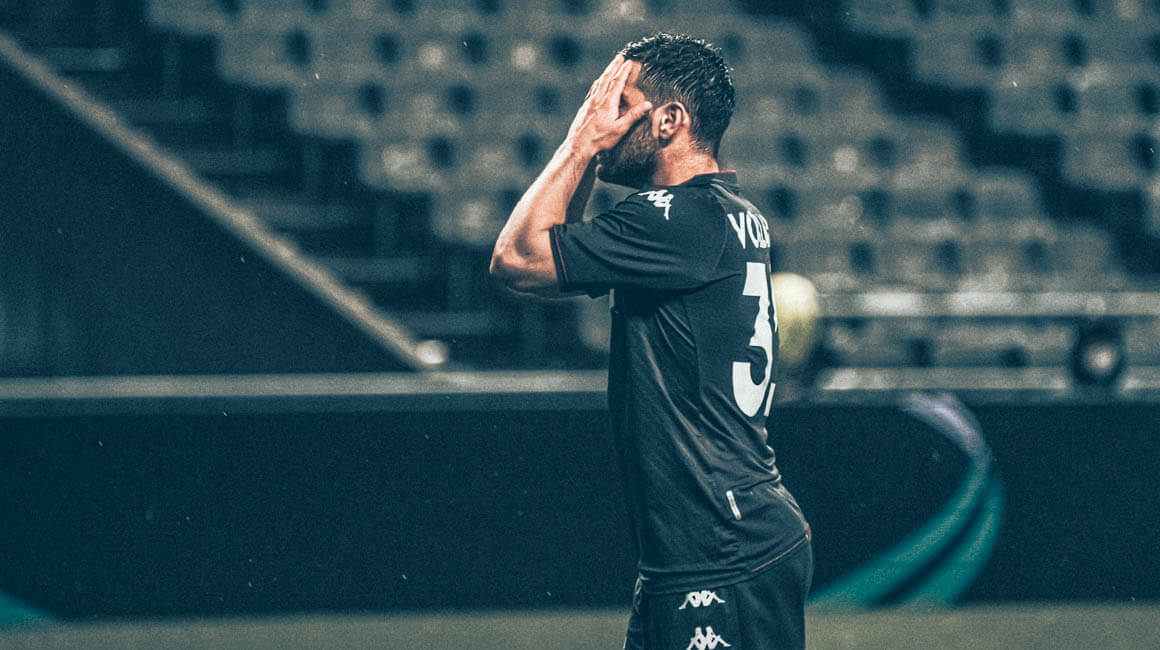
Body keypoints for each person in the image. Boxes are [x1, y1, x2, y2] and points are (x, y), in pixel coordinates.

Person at [490, 33, 812, 649]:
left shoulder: (673, 220)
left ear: (669, 121)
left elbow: (519, 257)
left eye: (619, 103)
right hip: (720, 543)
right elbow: (555, 250)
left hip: (720, 552)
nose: (602, 117)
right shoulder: (723, 214)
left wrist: (579, 144)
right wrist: (587, 154)